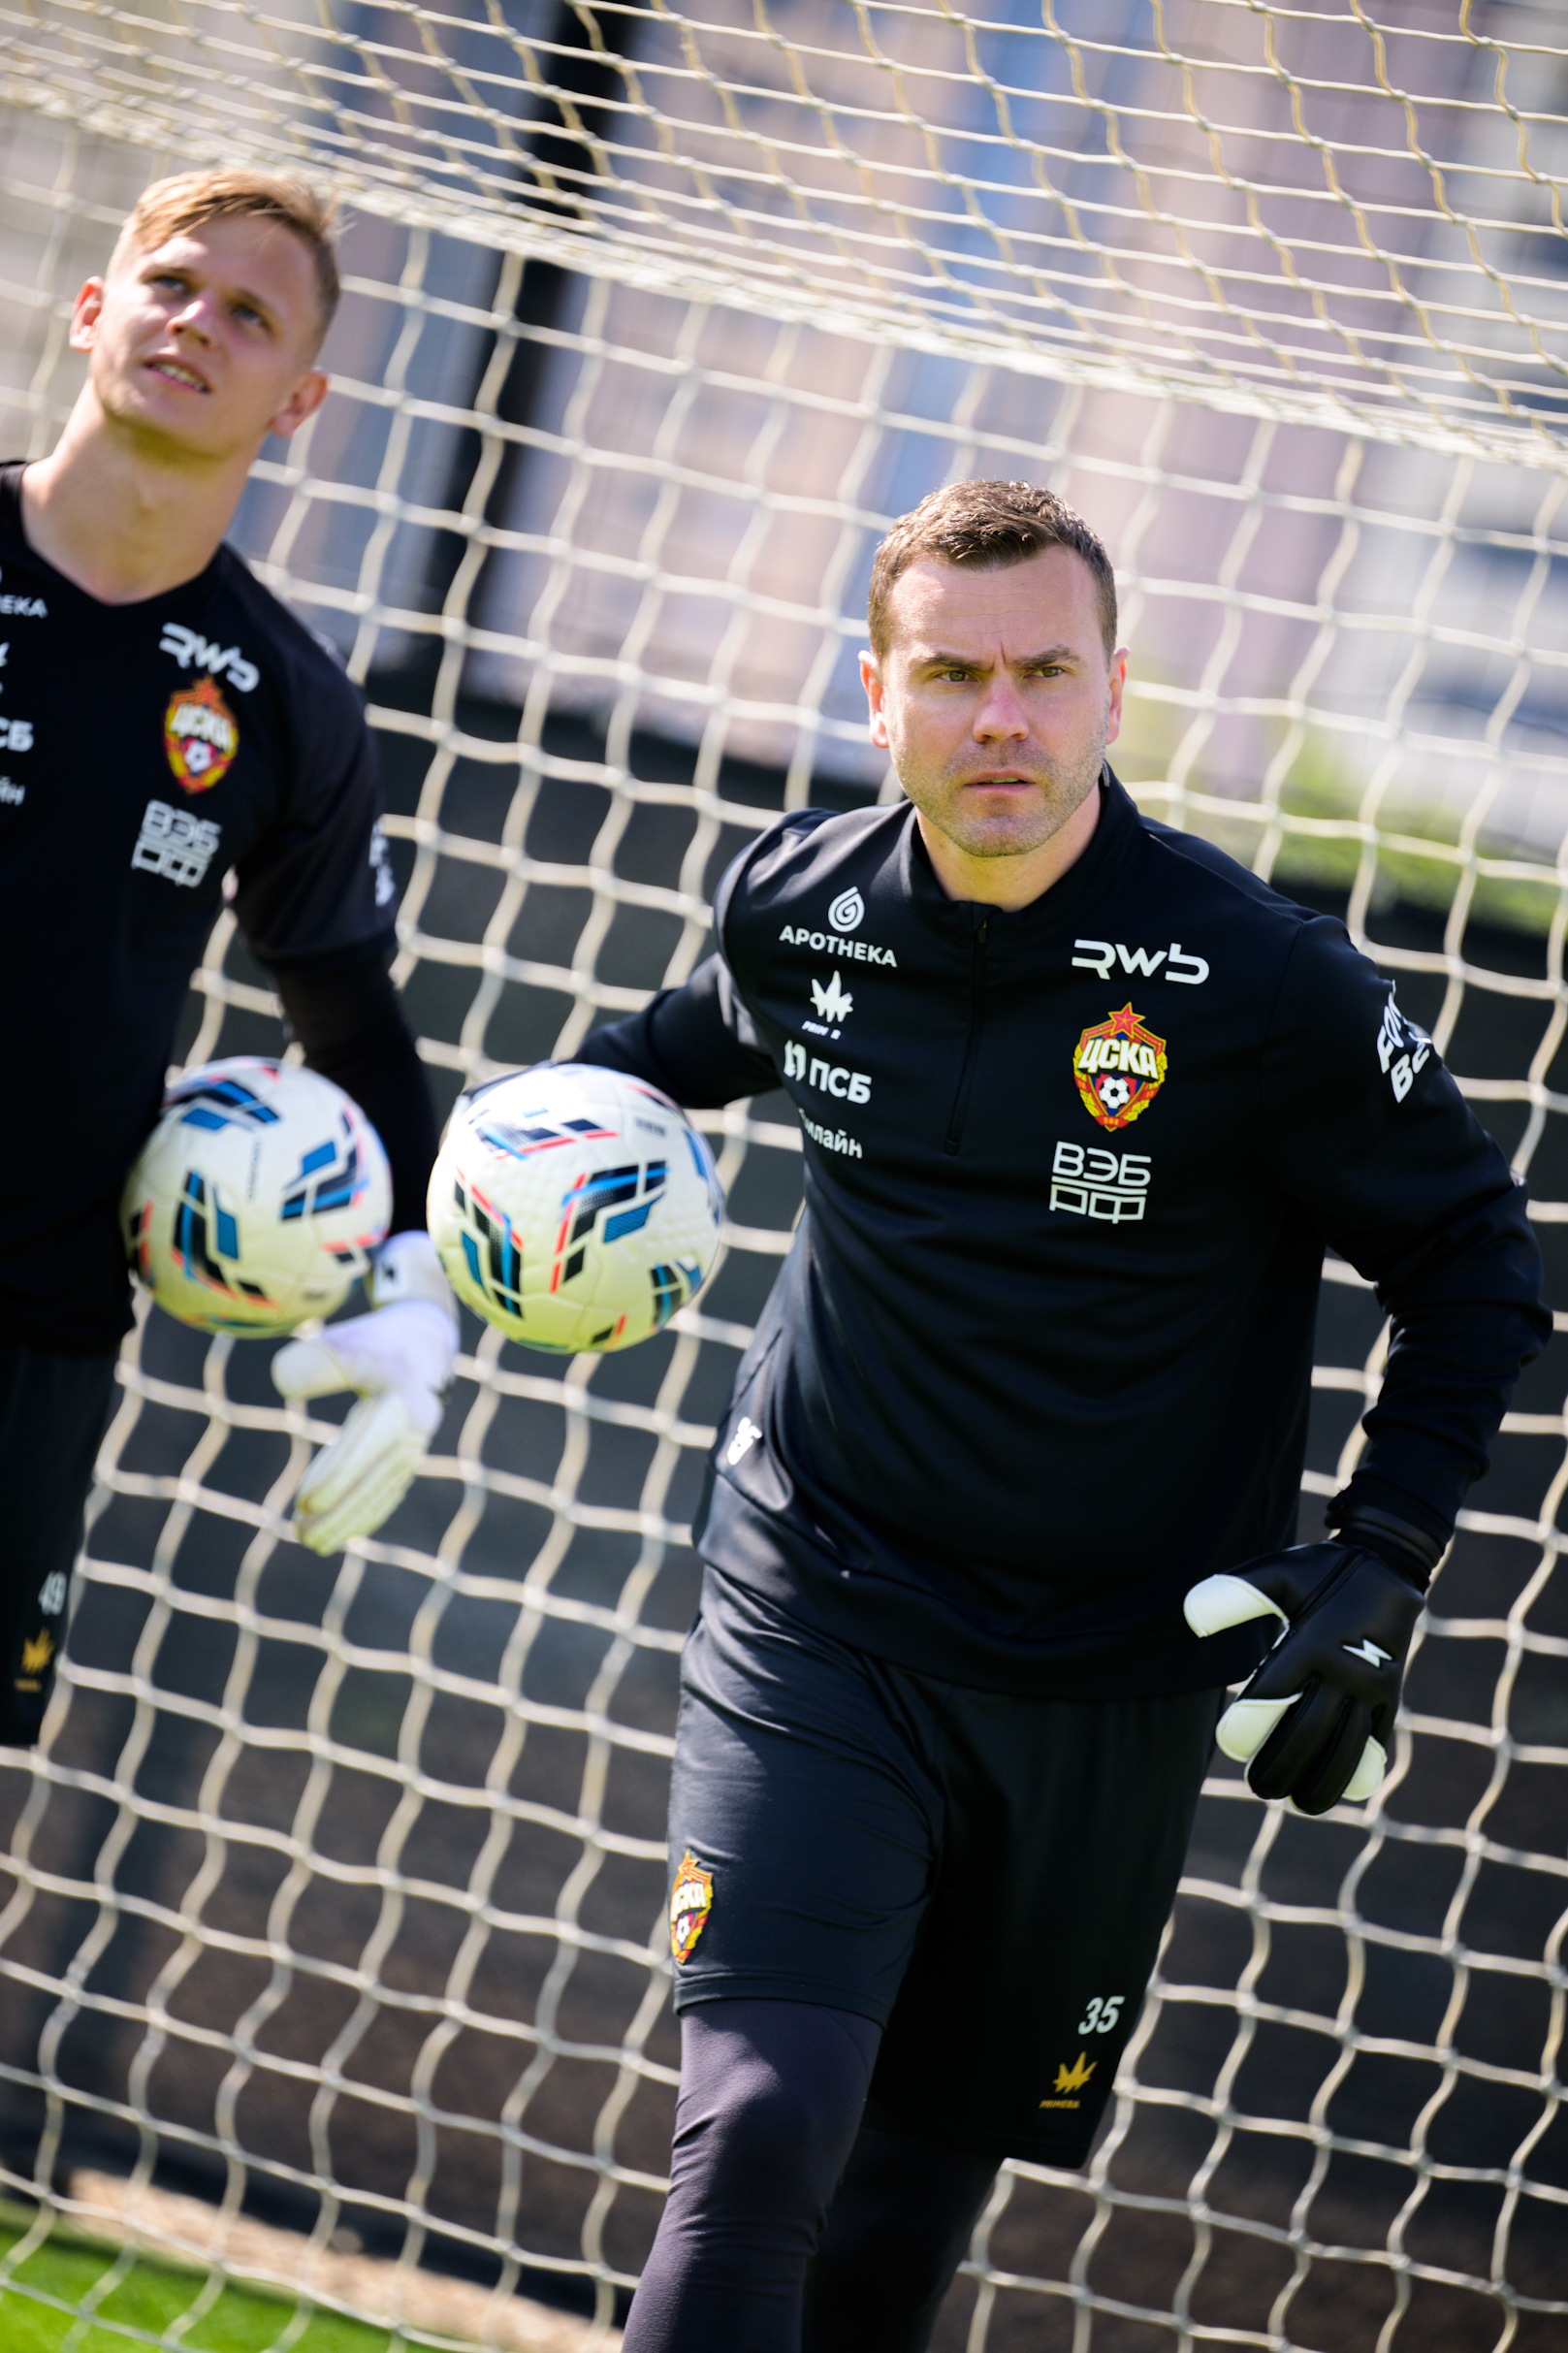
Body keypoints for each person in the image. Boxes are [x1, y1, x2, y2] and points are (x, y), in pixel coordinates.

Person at [575, 480, 1549, 2351]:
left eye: (1043, 672)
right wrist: (489, 1179)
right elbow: (660, 1054)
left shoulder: (1259, 981)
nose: (1000, 717)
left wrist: (1382, 1557)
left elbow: (1475, 1262)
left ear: (1115, 689)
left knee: (889, 2230)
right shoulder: (797, 905)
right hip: (819, 1617)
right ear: (877, 693)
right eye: (952, 675)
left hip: (1105, 1684)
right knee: (761, 2125)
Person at [0, 168, 458, 1751]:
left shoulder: (288, 703)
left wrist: (414, 1289)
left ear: (299, 402)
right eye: (171, 283)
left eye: (249, 315)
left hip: (30, 1329)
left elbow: (350, 1020)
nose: (196, 322)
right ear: (92, 311)